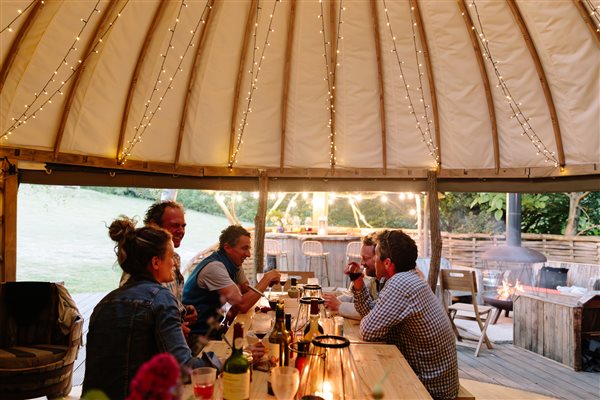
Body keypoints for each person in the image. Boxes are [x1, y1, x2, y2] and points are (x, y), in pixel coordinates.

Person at [83, 217, 211, 399]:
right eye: (170, 256)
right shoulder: (161, 299)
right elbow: (184, 367)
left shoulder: (104, 303)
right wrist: (226, 361)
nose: (174, 263)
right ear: (156, 262)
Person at [352, 229, 459, 400]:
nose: (372, 261)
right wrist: (358, 282)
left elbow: (368, 330)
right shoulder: (408, 278)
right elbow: (373, 315)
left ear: (387, 263)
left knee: (359, 380)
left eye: (376, 255)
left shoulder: (400, 284)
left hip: (430, 389)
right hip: (438, 381)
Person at [183, 225, 280, 350]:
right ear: (227, 247)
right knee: (252, 350)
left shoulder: (233, 264)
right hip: (196, 336)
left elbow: (245, 289)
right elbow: (242, 304)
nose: (249, 254)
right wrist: (266, 279)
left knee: (254, 341)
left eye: (249, 248)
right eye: (244, 249)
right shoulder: (214, 268)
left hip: (214, 329)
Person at [121, 201, 197, 336]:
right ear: (153, 225)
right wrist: (172, 328)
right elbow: (130, 314)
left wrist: (183, 310)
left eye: (183, 226)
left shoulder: (175, 259)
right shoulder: (140, 264)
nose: (181, 231)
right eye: (174, 225)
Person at [323, 233, 381, 319]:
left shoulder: (390, 283)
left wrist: (339, 305)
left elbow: (370, 312)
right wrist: (330, 301)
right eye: (361, 258)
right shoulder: (373, 279)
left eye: (366, 258)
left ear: (379, 258)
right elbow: (356, 299)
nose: (362, 263)